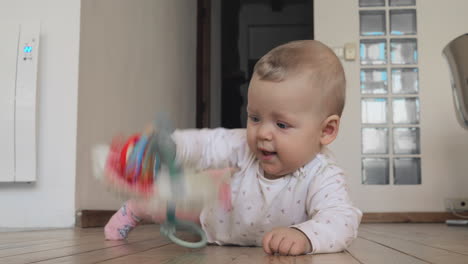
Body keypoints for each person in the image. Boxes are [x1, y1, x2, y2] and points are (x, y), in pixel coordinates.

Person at [104, 39, 362, 255]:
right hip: (215, 213)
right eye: (255, 118)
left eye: (282, 124)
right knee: (170, 202)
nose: (262, 133)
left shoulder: (324, 176)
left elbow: (341, 221)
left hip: (237, 221)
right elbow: (206, 144)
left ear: (326, 131)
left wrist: (304, 236)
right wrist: (170, 146)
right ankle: (136, 207)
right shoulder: (242, 145)